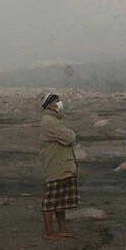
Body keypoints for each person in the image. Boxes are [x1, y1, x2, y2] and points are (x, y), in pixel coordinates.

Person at [38, 92, 78, 240]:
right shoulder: (50, 121)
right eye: (57, 101)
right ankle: (48, 232)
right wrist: (71, 133)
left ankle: (62, 230)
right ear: (50, 105)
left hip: (61, 163)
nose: (60, 103)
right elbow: (69, 137)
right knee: (51, 199)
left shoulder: (54, 120)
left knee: (60, 200)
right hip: (56, 164)